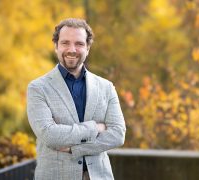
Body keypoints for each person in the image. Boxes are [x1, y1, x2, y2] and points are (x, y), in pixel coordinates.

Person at [27, 18, 126, 180]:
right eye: (65, 43)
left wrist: (75, 149)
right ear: (56, 46)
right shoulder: (38, 88)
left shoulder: (106, 87)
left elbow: (117, 134)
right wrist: (95, 127)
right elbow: (49, 135)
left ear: (88, 48)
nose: (72, 49)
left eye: (79, 44)